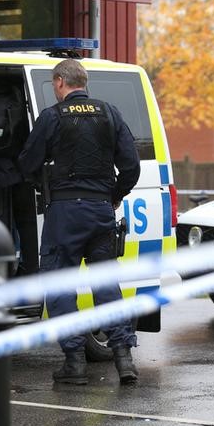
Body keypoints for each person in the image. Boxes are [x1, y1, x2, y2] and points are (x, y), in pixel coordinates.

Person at [18, 59, 141, 385]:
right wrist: (115, 194)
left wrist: (41, 185)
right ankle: (124, 359)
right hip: (101, 211)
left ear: (60, 82)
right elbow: (131, 165)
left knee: (60, 285)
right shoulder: (110, 113)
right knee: (105, 284)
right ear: (83, 82)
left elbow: (27, 162)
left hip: (64, 213)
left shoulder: (53, 117)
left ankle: (74, 363)